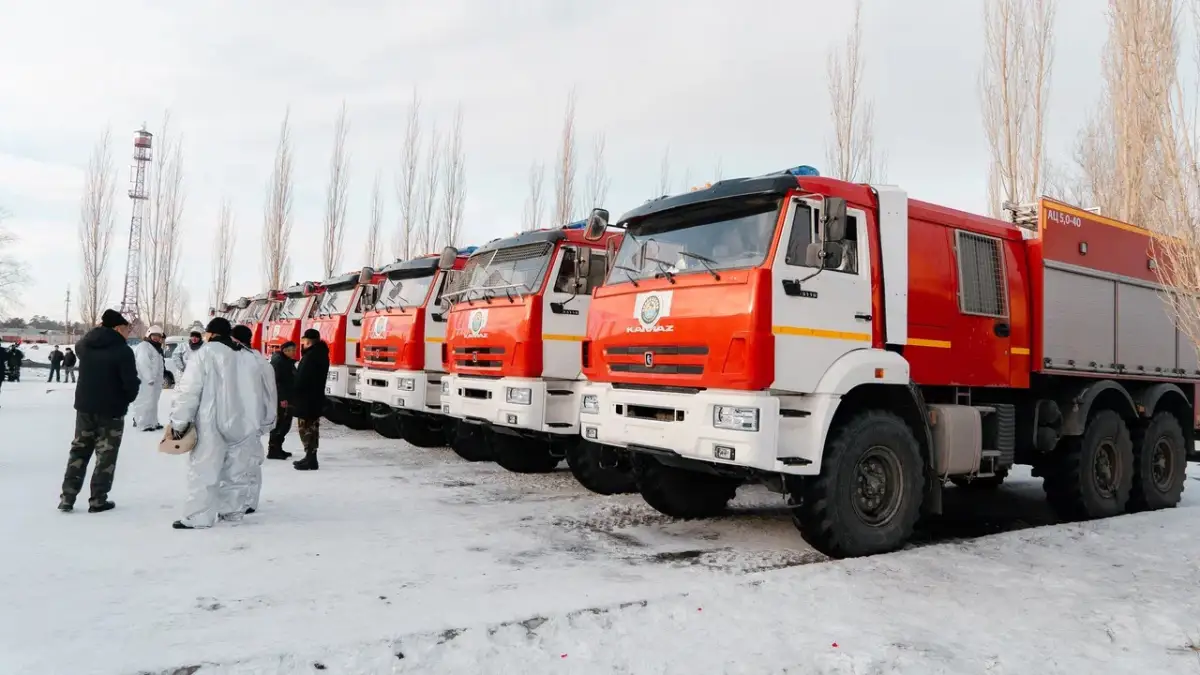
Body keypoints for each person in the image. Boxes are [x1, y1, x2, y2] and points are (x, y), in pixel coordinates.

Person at [168, 317, 261, 529]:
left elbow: (189, 391)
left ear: (210, 334)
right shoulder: (246, 356)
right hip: (243, 421)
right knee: (236, 469)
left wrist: (179, 421)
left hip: (211, 421)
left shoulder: (205, 354)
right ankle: (232, 512)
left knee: (204, 468)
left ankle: (199, 516)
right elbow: (258, 391)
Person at [58, 310, 140, 513]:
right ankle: (97, 500)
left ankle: (67, 497)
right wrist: (126, 399)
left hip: (85, 408)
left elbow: (80, 345)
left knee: (79, 450)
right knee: (106, 455)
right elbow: (130, 384)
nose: (128, 333)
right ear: (117, 328)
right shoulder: (123, 351)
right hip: (111, 411)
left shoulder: (85, 346)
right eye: (126, 329)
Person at [230, 324, 277, 515]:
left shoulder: (251, 360)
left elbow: (268, 391)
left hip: (248, 418)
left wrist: (268, 418)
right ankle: (245, 499)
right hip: (247, 418)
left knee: (248, 462)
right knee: (245, 461)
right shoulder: (257, 359)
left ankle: (248, 501)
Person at [291, 328, 330, 471]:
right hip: (314, 397)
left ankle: (311, 459)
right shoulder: (320, 354)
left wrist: (294, 387)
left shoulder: (311, 357)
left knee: (306, 428)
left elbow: (302, 379)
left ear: (307, 341)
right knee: (312, 428)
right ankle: (310, 457)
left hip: (306, 399)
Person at [131, 326, 166, 432]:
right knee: (144, 401)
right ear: (149, 335)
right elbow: (143, 362)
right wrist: (149, 378)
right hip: (145, 381)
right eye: (154, 335)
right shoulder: (144, 346)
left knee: (153, 402)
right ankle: (142, 422)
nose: (156, 338)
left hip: (155, 382)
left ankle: (152, 422)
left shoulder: (156, 348)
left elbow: (159, 365)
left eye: (158, 336)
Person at [268, 341, 298, 460]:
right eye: (292, 350)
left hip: (288, 396)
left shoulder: (286, 361)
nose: (294, 353)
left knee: (285, 423)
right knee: (281, 423)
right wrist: (282, 398)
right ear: (285, 351)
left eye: (295, 350)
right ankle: (274, 450)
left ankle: (278, 448)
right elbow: (277, 382)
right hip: (282, 398)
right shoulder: (280, 362)